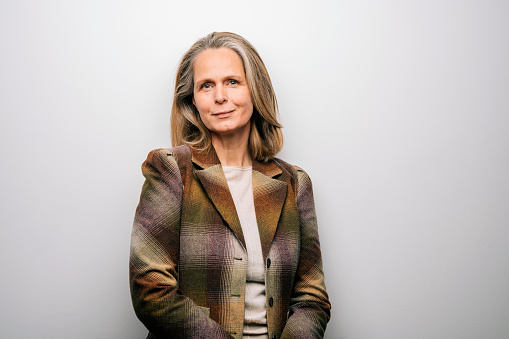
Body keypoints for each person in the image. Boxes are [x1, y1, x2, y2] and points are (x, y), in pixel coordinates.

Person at [130, 32, 330, 339]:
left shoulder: (295, 183)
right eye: (206, 85)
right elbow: (151, 288)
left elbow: (311, 299)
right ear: (192, 100)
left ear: (255, 90)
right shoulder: (171, 170)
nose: (220, 96)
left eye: (233, 82)